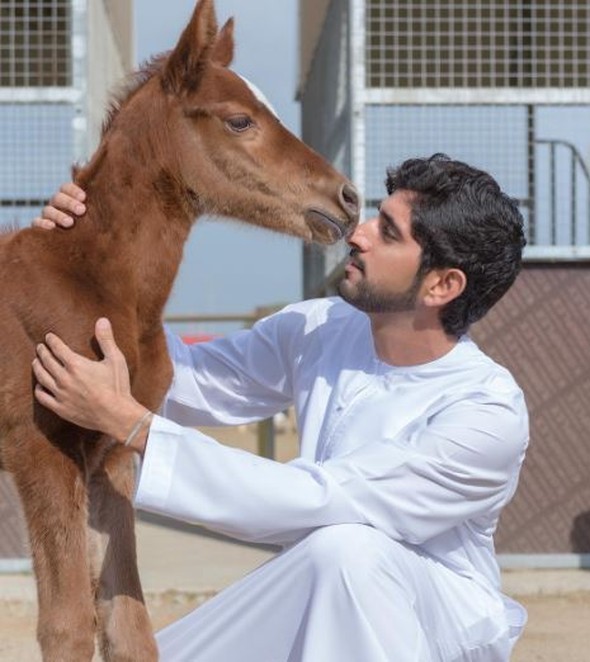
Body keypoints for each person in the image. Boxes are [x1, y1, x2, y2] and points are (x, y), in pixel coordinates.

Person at [32, 154, 529, 661]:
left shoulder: (485, 413)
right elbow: (187, 378)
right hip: (319, 593)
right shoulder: (322, 327)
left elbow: (317, 500)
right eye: (376, 216)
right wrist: (83, 256)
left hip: (435, 632)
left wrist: (130, 424)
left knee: (350, 551)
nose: (359, 234)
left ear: (442, 285)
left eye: (390, 233)